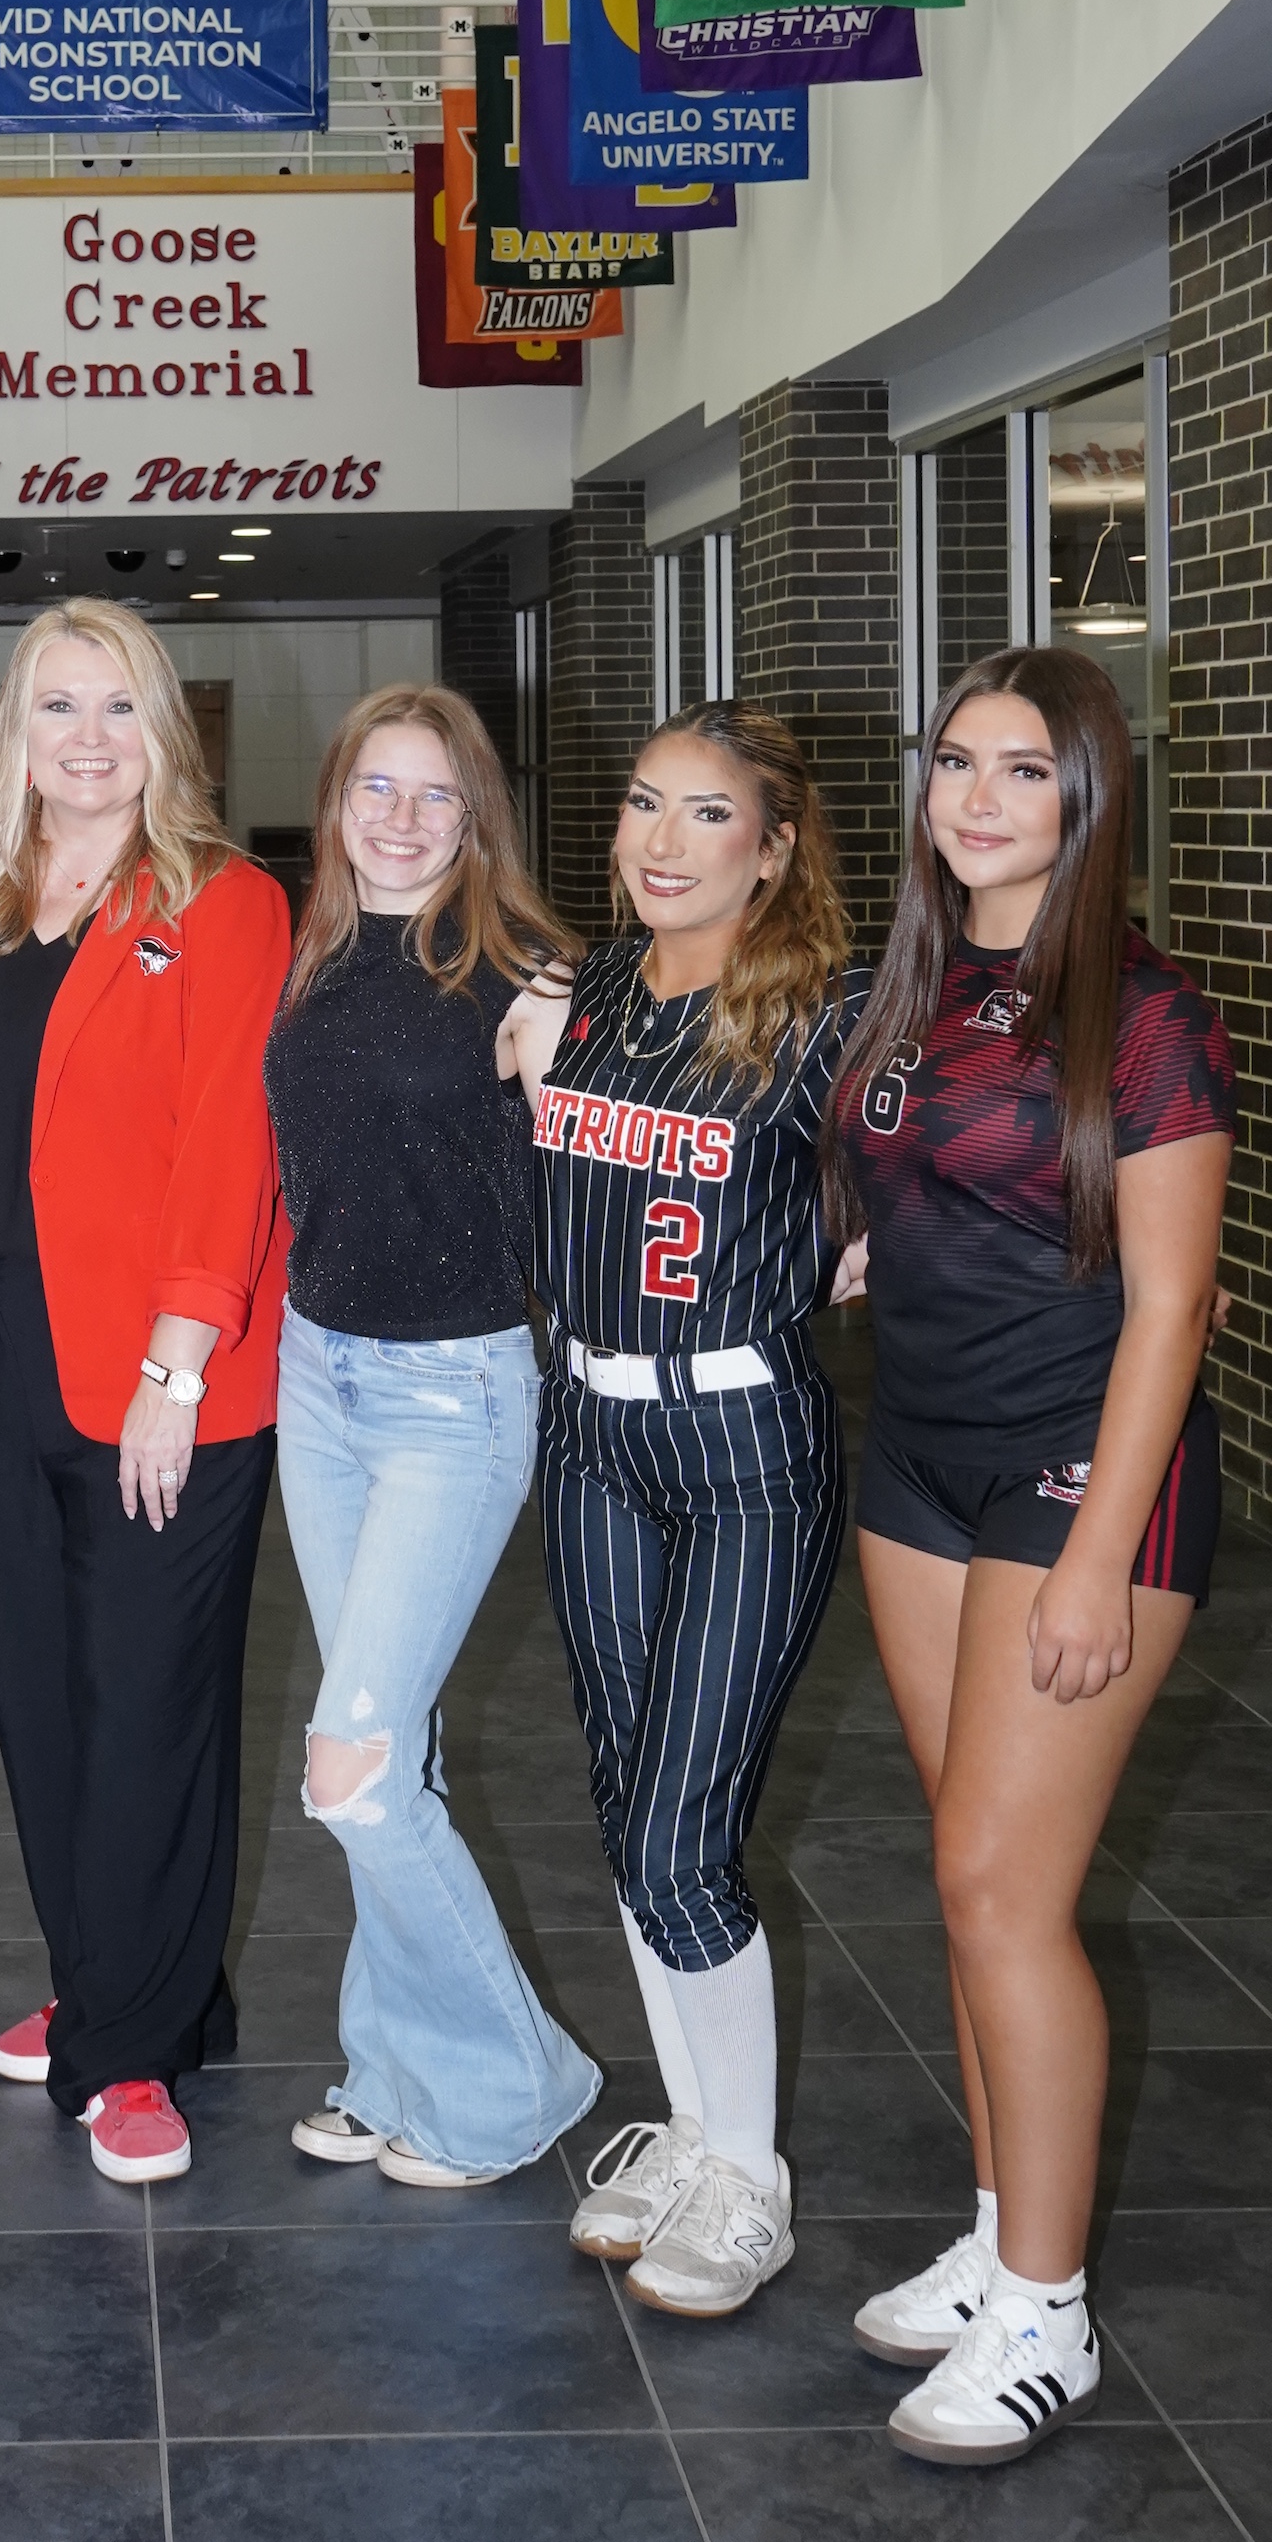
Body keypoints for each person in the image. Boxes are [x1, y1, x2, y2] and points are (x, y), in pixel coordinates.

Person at [828, 647, 1231, 2467]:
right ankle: (1001, 2244)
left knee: (1005, 1888)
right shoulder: (914, 986)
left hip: (1085, 1479)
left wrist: (1094, 1561)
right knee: (965, 1870)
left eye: (1023, 773)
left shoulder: (1143, 1013)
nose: (978, 800)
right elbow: (903, 1178)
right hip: (916, 1458)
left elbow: (1172, 1304)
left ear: (1085, 800)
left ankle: (1050, 2312)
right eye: (956, 763)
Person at [0, 600, 292, 2183]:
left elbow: (231, 1138)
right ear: (12, 734)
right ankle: (123, 1979)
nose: (87, 741)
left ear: (161, 730)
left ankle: (136, 2048)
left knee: (148, 1705)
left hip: (160, 1368)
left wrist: (180, 1356)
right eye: (56, 708)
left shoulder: (223, 904)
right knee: (39, 1696)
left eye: (118, 708)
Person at [530, 703, 863, 2321]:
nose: (661, 842)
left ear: (776, 845)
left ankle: (752, 2177)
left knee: (680, 1833)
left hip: (742, 1444)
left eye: (707, 815)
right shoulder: (579, 991)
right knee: (628, 1817)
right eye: (642, 805)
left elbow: (942, 1163)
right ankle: (695, 2126)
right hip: (588, 1428)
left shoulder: (832, 1012)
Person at [265, 685, 600, 2188]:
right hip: (317, 1376)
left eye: (435, 797)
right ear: (338, 803)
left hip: (448, 1399)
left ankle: (516, 2081)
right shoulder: (318, 951)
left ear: (477, 819)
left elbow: (628, 1150)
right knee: (395, 1748)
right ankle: (396, 2066)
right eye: (375, 790)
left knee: (355, 1770)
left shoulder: (526, 973)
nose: (400, 821)